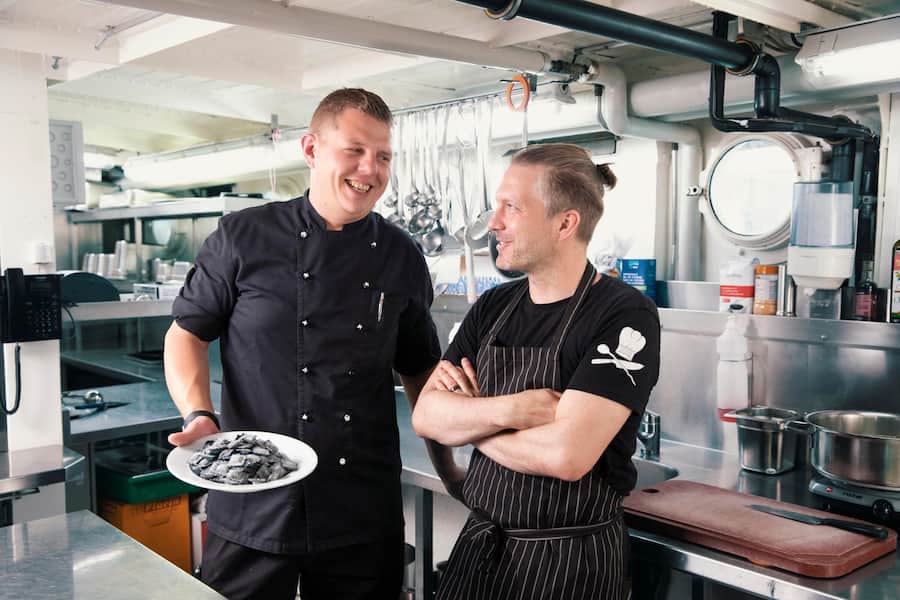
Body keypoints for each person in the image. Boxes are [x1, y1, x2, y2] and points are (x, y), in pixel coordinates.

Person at [164, 88, 441, 600]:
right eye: (354, 150)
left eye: (383, 156)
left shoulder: (402, 255)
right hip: (252, 497)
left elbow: (421, 370)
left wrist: (451, 464)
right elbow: (186, 333)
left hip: (361, 504)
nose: (370, 169)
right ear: (312, 149)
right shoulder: (241, 237)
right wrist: (196, 414)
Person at [412, 143, 660, 600]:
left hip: (569, 565)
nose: (494, 222)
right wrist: (518, 409)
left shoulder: (624, 315)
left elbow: (567, 455)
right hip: (481, 549)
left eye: (512, 208)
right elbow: (427, 416)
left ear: (566, 223)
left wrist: (471, 426)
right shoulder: (492, 307)